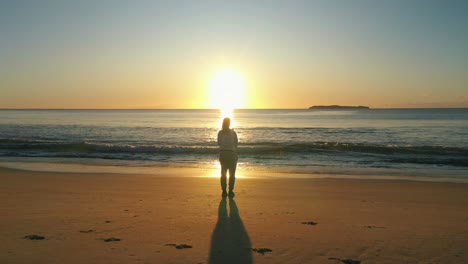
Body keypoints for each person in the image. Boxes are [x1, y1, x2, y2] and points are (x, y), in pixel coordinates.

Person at [217, 117, 238, 197]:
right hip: (231, 153)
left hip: (223, 153)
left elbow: (219, 143)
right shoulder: (233, 132)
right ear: (229, 123)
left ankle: (224, 191)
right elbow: (236, 144)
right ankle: (231, 191)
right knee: (232, 174)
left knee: (223, 173)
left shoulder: (220, 132)